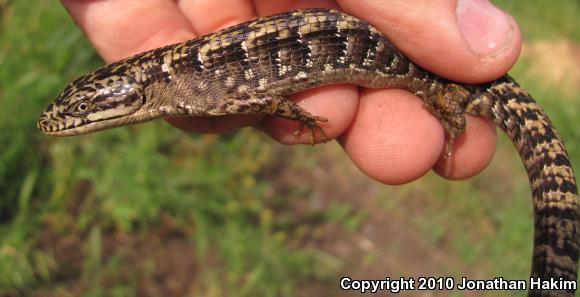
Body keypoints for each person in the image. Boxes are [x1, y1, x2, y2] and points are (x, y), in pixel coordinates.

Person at [61, 0, 521, 185]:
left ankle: (453, 110)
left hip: (437, 71)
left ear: (133, 94)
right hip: (396, 60)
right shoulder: (179, 84)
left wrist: (299, 116)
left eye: (81, 110)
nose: (74, 119)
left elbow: (266, 101)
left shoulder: (189, 95)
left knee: (439, 108)